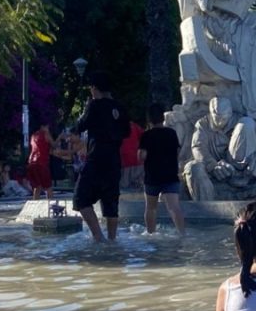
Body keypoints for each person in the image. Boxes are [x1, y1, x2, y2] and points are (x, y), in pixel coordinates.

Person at [73, 71, 131, 242]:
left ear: (94, 88)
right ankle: (112, 240)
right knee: (111, 202)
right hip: (114, 161)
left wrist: (87, 109)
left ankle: (98, 236)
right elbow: (126, 132)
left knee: (80, 197)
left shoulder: (94, 105)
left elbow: (80, 126)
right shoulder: (120, 107)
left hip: (96, 158)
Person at [138, 103, 186, 235]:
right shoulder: (171, 133)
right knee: (174, 207)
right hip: (170, 175)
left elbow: (141, 155)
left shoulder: (146, 135)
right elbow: (177, 151)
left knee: (151, 208)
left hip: (152, 176)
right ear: (162, 118)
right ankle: (182, 233)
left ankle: (150, 233)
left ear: (149, 119)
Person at [27, 123, 54, 200]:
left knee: (37, 187)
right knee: (48, 187)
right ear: (42, 127)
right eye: (47, 127)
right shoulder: (46, 134)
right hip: (41, 162)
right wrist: (60, 137)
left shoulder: (33, 136)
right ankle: (51, 205)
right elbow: (54, 145)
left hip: (31, 162)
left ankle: (35, 205)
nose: (48, 128)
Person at [120, 121, 145, 190]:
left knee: (123, 188)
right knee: (139, 187)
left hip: (124, 162)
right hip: (137, 161)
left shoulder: (113, 125)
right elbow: (144, 136)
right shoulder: (133, 125)